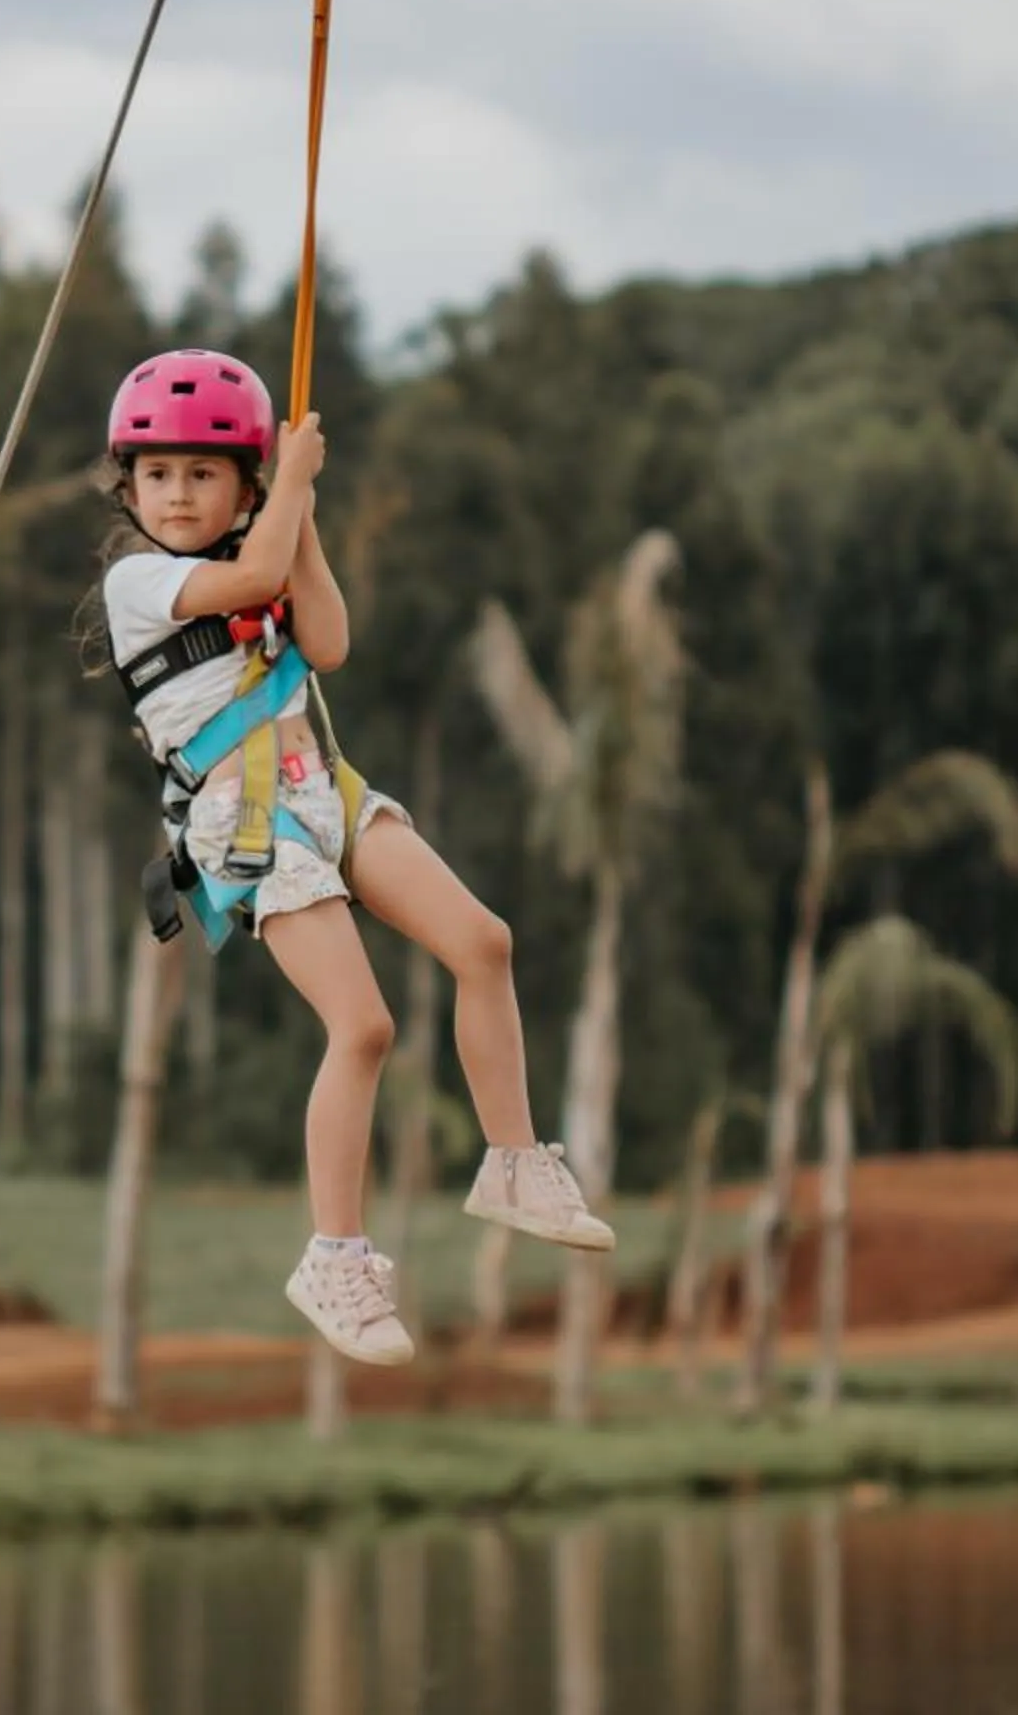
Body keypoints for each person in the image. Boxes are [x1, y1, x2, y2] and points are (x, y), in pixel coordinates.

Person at [84, 347, 612, 1367]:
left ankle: (513, 1160)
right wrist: (286, 491)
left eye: (204, 474)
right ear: (130, 486)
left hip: (325, 789)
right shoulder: (141, 580)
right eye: (158, 475)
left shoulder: (266, 541)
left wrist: (304, 503)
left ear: (241, 483)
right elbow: (249, 574)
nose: (179, 495)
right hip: (244, 821)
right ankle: (334, 1257)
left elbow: (324, 641)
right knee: (363, 1025)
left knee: (483, 940)